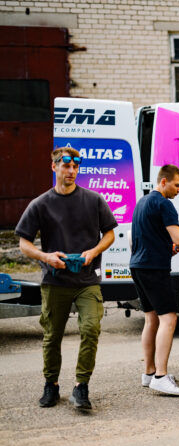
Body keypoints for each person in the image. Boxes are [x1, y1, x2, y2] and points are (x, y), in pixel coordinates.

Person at [16, 146, 117, 410]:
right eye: (66, 166)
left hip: (87, 280)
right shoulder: (40, 204)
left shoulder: (94, 200)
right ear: (54, 167)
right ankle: (51, 384)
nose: (71, 171)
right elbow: (24, 243)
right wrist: (46, 257)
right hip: (55, 281)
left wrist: (94, 251)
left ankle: (81, 386)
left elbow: (109, 234)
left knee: (91, 329)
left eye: (75, 167)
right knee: (52, 336)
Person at [130, 164, 179, 396]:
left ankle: (149, 373)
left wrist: (166, 248)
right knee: (169, 319)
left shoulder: (142, 202)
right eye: (177, 185)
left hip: (138, 266)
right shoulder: (165, 204)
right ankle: (161, 377)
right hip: (154, 269)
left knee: (151, 319)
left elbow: (141, 239)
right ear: (163, 182)